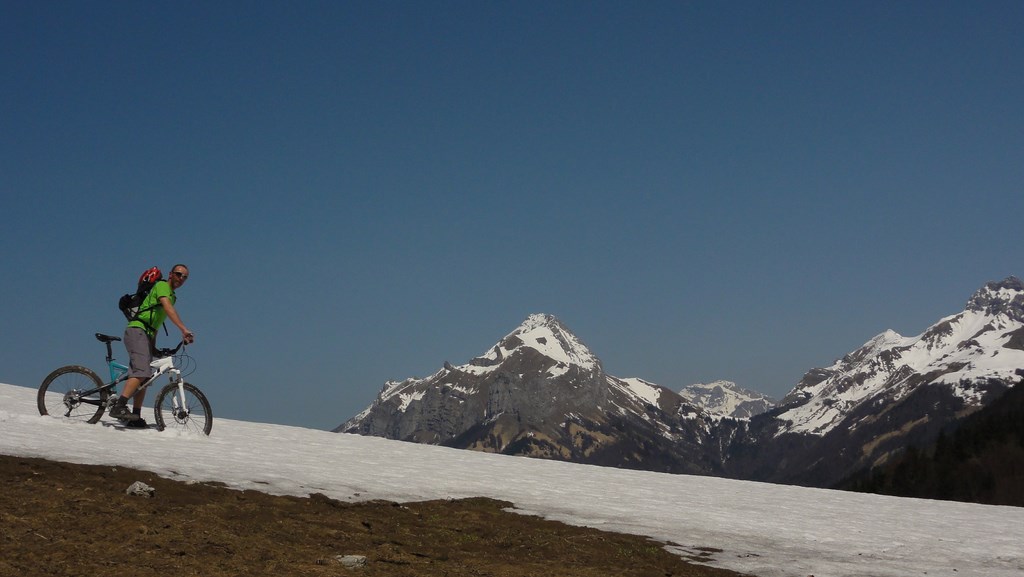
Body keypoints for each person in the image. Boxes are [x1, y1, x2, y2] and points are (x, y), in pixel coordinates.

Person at [109, 264, 195, 427]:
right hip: (137, 330)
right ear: (171, 274)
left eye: (185, 277)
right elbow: (167, 308)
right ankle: (119, 406)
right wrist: (183, 329)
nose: (181, 279)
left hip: (146, 334)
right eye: (178, 274)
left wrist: (153, 347)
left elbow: (155, 325)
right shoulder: (162, 286)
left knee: (145, 377)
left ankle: (135, 417)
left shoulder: (173, 296)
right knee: (142, 371)